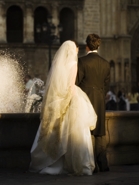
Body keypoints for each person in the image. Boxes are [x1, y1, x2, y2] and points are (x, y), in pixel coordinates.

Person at [29, 41, 97, 176]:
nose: (77, 50)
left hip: (57, 98)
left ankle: (52, 161)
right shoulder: (73, 63)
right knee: (74, 132)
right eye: (76, 48)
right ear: (73, 50)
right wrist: (68, 101)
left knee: (56, 131)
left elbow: (53, 84)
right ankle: (76, 163)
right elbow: (71, 85)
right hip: (70, 97)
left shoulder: (57, 65)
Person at [76, 34, 110, 173]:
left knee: (88, 131)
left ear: (87, 46)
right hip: (100, 100)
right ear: (98, 46)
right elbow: (106, 84)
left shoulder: (82, 62)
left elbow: (76, 82)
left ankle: (91, 164)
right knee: (100, 132)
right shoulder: (105, 63)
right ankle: (103, 163)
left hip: (86, 100)